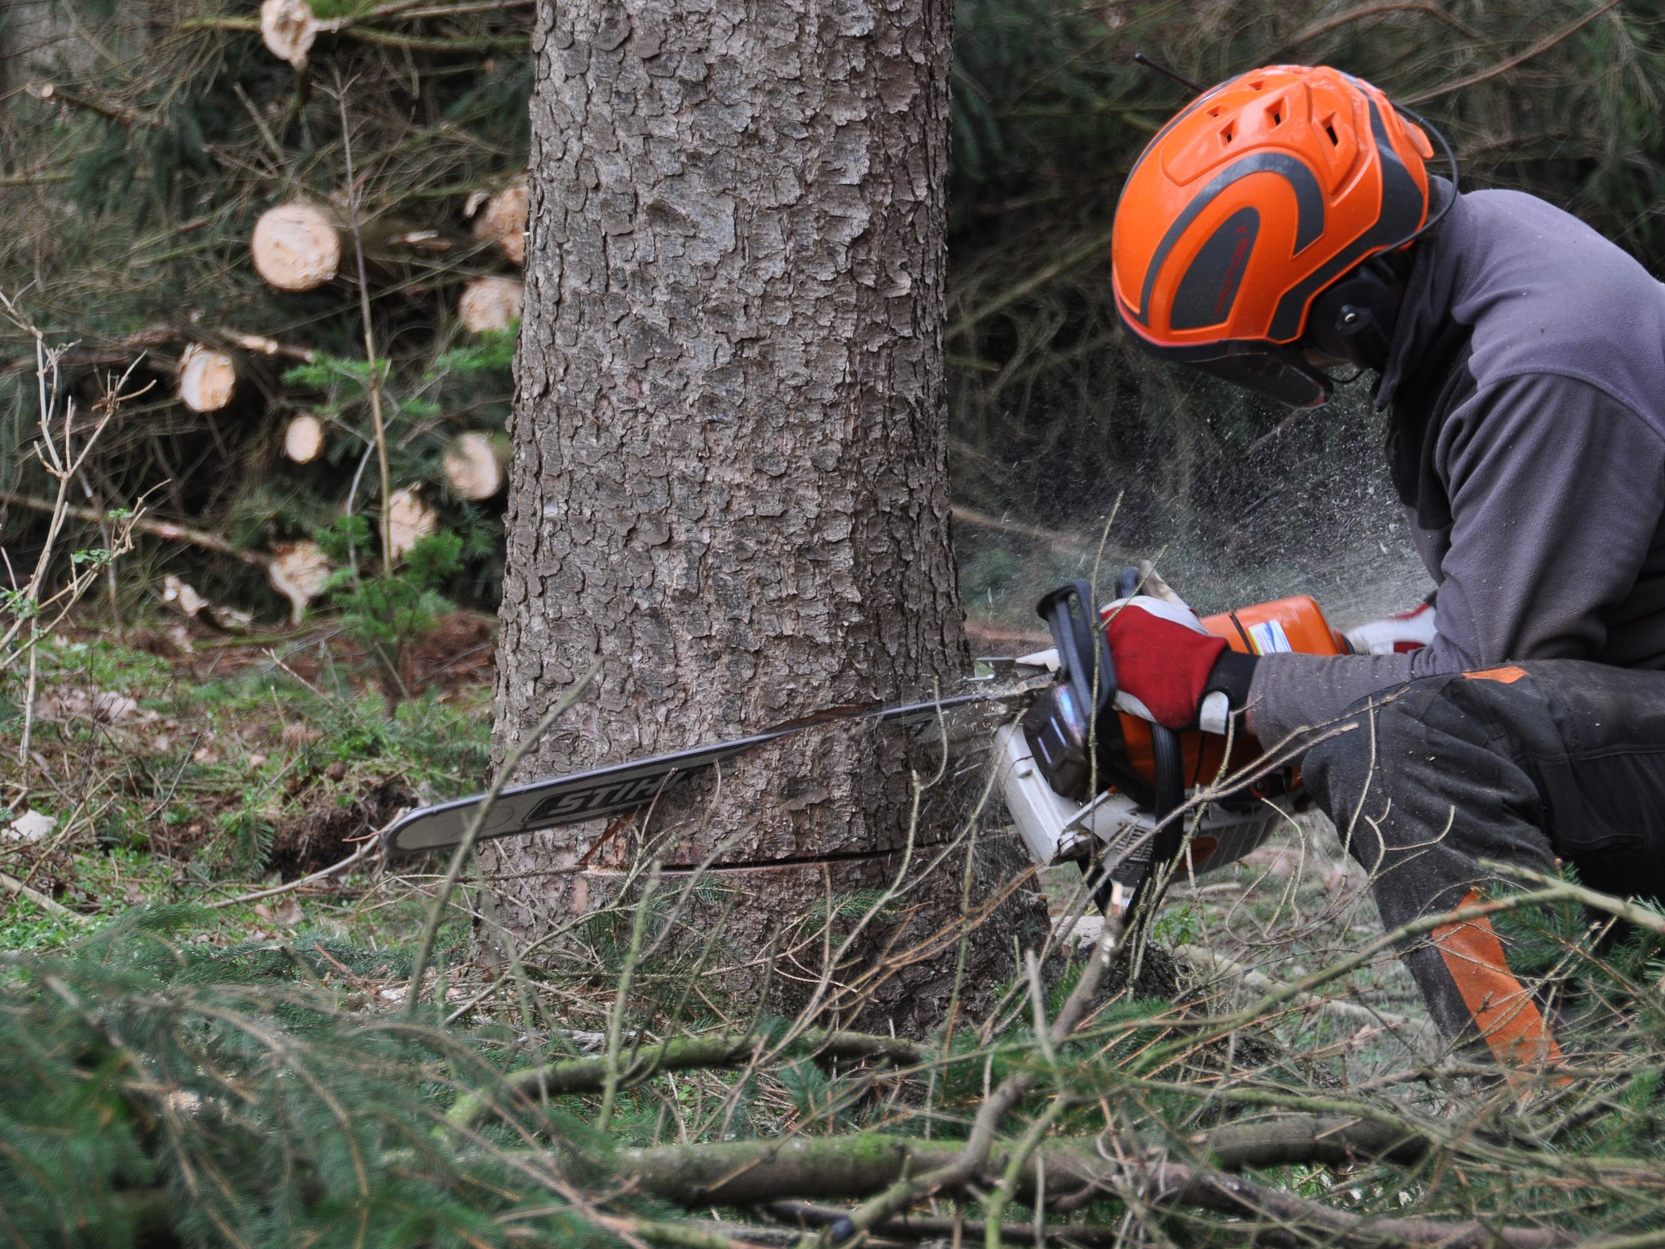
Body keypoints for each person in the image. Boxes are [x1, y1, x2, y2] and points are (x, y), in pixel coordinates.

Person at [1102, 63, 1665, 1073]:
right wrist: (1293, 660)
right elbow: (1514, 606)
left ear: (1348, 306)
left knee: (1414, 752)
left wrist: (1232, 688)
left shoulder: (1538, 363)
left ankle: (1553, 1113)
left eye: (1285, 341)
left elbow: (1473, 689)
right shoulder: (1486, 254)